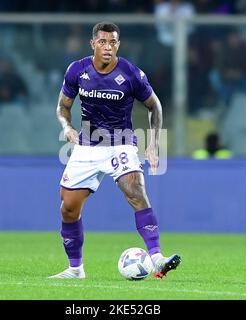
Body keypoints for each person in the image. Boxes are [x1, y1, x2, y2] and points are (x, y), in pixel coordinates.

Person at [49, 22, 181, 279]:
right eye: (102, 42)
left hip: (120, 142)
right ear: (93, 44)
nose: (108, 47)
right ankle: (75, 269)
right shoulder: (77, 70)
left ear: (118, 45)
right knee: (68, 208)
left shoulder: (131, 74)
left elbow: (155, 106)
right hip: (87, 146)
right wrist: (67, 126)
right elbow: (63, 106)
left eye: (113, 42)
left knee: (135, 189)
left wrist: (153, 144)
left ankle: (156, 258)